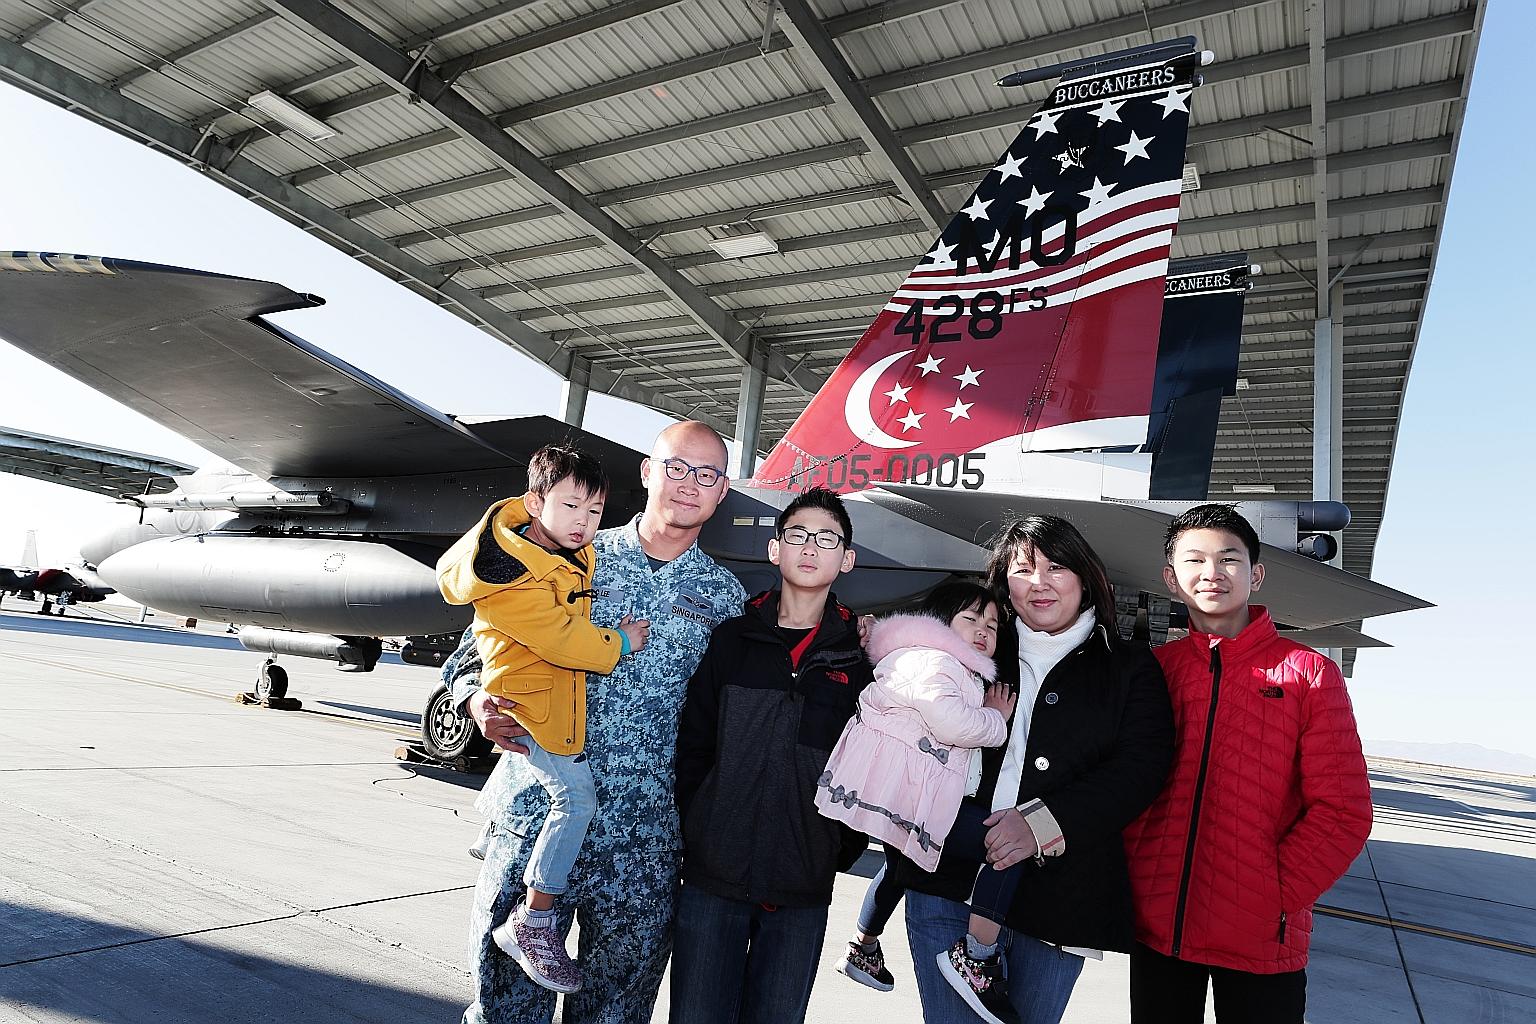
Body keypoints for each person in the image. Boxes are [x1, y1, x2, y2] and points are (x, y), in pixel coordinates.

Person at [448, 422, 746, 1024]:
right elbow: (469, 657)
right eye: (677, 466)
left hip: (643, 840)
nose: (690, 485)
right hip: (537, 814)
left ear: (722, 492)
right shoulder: (564, 552)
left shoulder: (724, 597)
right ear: (647, 472)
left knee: (616, 1012)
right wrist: (474, 698)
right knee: (506, 1008)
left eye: (708, 474)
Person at [899, 515, 1175, 1024]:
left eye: (1056, 567)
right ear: (1004, 580)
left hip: (1057, 900)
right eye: (1024, 569)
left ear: (1086, 577)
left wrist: (1040, 825)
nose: (1040, 583)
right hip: (947, 879)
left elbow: (1141, 769)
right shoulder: (972, 650)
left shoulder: (1129, 667)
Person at [1123, 504, 1373, 1024]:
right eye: (1193, 560)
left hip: (1263, 938)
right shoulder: (1152, 673)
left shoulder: (1309, 675)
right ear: (1172, 578)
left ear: (1256, 575)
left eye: (1229, 559)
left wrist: (1275, 894)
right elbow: (1126, 782)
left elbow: (1344, 810)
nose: (1211, 573)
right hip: (1158, 926)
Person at [436, 445, 650, 994]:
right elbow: (553, 638)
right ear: (535, 502)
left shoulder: (557, 551)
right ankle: (533, 920)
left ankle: (499, 849)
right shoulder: (512, 570)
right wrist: (620, 641)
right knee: (574, 798)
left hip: (557, 717)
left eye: (595, 511)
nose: (584, 522)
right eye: (571, 506)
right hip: (533, 708)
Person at [670, 486, 875, 1024]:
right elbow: (694, 746)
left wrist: (832, 848)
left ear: (847, 559)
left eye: (827, 538)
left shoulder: (861, 662)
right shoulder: (731, 640)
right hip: (714, 879)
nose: (811, 547)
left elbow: (869, 771)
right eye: (798, 535)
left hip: (801, 889)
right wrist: (703, 824)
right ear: (774, 549)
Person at [815, 581, 1016, 995]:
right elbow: (953, 724)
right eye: (971, 618)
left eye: (993, 625)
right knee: (1006, 847)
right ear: (941, 622)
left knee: (897, 868)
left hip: (900, 792)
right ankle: (976, 957)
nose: (983, 630)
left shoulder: (931, 659)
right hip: (912, 795)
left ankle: (863, 947)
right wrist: (995, 719)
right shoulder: (934, 662)